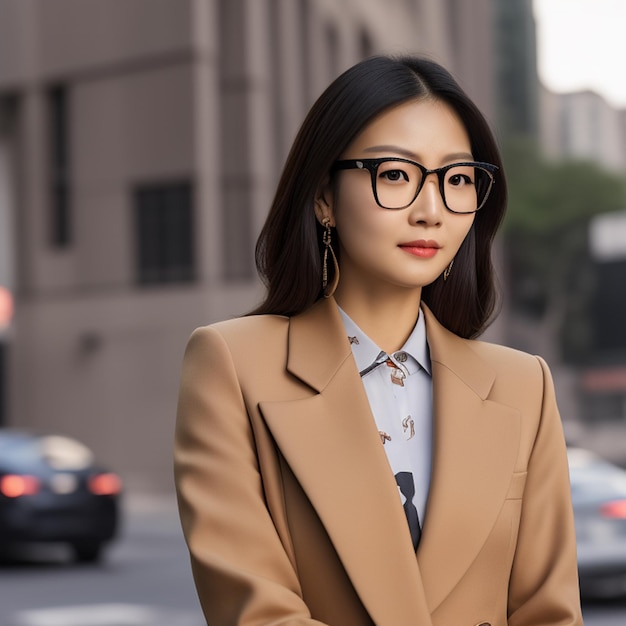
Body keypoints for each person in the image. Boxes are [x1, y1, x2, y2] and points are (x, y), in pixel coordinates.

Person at [174, 55, 583, 626]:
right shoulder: (232, 365)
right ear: (323, 197)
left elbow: (550, 612)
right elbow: (257, 613)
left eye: (458, 179)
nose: (431, 209)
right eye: (395, 174)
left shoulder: (523, 386)